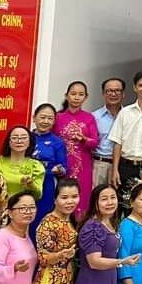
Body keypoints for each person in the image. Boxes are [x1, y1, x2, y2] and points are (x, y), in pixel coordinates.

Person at [55, 81, 99, 216]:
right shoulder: (58, 117)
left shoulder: (89, 118)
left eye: (81, 94)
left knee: (81, 200)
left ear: (86, 97)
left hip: (83, 167)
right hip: (62, 165)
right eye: (73, 94)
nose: (76, 97)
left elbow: (95, 142)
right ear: (66, 96)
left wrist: (84, 139)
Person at [31, 104, 67, 237]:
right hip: (26, 184)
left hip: (47, 185)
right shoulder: (25, 137)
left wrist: (58, 170)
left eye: (50, 118)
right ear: (34, 118)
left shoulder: (57, 142)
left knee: (42, 219)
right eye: (42, 117)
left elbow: (64, 168)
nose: (45, 121)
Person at [0, 126, 45, 214]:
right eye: (15, 138)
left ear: (29, 142)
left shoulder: (36, 166)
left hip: (22, 211)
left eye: (24, 138)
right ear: (9, 141)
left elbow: (38, 195)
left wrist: (31, 185)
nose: (19, 141)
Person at [92, 77, 125, 188]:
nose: (113, 94)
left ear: (123, 94)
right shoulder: (94, 117)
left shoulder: (129, 115)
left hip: (123, 165)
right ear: (103, 94)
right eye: (109, 91)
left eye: (117, 90)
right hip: (100, 164)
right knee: (96, 195)